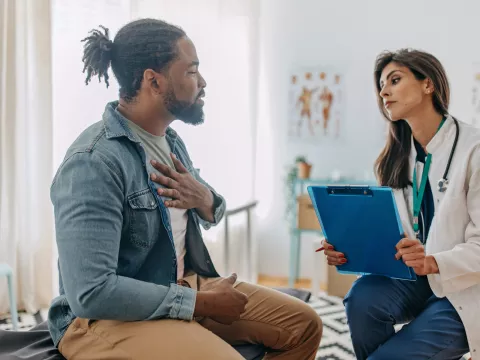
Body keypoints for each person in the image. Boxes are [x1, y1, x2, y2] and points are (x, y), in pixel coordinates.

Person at [48, 18, 322, 360]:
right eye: (192, 71)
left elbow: (209, 208)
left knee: (304, 325)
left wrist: (205, 199)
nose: (203, 82)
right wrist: (199, 303)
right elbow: (91, 293)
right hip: (102, 319)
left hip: (176, 285)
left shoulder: (171, 142)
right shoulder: (93, 163)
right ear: (154, 80)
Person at [322, 49, 480, 359]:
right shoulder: (396, 157)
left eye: (394, 80)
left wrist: (432, 262)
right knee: (362, 299)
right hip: (416, 280)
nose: (383, 92)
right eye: (381, 85)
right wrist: (351, 249)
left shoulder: (474, 148)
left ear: (428, 85)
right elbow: (394, 236)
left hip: (465, 288)